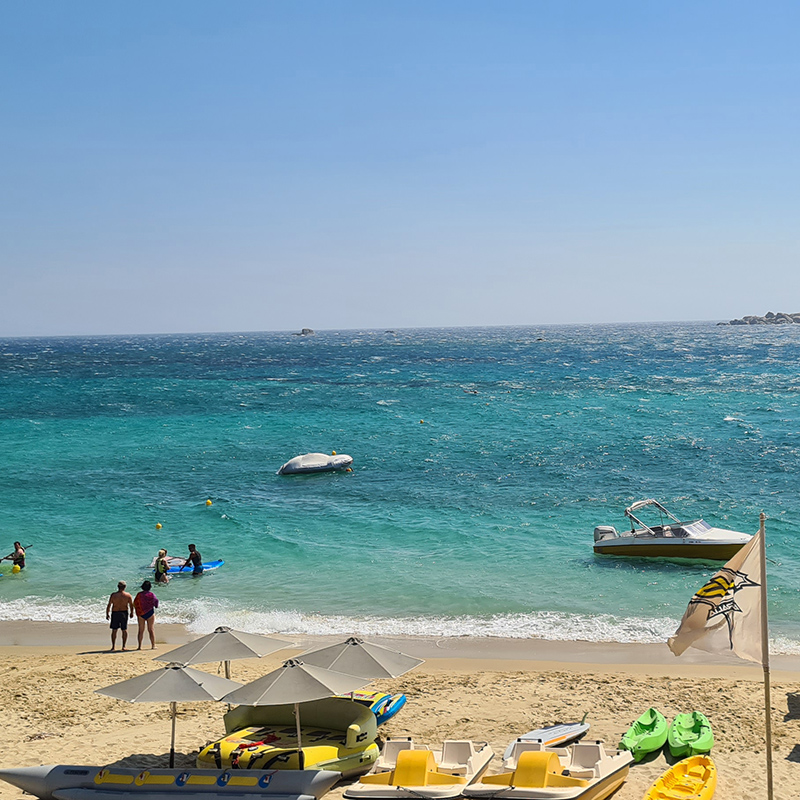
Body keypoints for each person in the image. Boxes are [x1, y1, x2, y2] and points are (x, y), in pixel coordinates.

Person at [105, 581, 134, 652]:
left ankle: (113, 647)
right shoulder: (128, 595)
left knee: (114, 630)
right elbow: (131, 605)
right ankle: (123, 646)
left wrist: (107, 613)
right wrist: (132, 613)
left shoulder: (113, 595)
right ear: (125, 587)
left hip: (115, 613)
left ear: (118, 587)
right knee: (124, 630)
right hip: (124, 613)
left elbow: (109, 604)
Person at [133, 580, 159, 650]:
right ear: (150, 587)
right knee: (151, 629)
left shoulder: (139, 594)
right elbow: (156, 602)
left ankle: (139, 646)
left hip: (141, 614)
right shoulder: (151, 594)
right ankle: (153, 645)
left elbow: (135, 603)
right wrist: (155, 606)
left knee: (141, 630)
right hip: (150, 613)